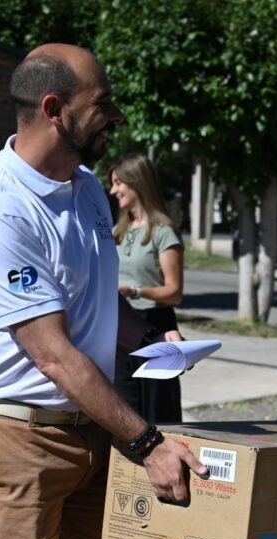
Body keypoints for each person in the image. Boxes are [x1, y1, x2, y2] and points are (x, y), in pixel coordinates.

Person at [0, 43, 208, 539]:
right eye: (102, 104)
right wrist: (148, 442)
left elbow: (90, 303)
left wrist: (149, 341)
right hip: (14, 438)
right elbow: (54, 354)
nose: (115, 116)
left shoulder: (87, 188)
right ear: (53, 108)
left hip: (90, 428)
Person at [110, 153, 184, 424]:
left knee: (157, 413)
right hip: (120, 328)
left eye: (118, 183)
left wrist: (136, 291)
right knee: (124, 409)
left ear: (137, 182)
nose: (113, 191)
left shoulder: (163, 232)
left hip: (155, 325)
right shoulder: (117, 231)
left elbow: (174, 291)